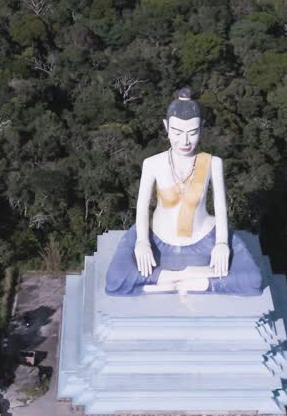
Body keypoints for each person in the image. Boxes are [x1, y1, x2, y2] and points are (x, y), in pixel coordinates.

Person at [105, 88, 264, 297]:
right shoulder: (153, 163)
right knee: (115, 279)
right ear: (166, 127)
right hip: (157, 236)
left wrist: (222, 243)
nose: (185, 141)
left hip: (205, 236)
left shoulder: (212, 163)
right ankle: (188, 279)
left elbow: (220, 206)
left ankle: (176, 281)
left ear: (201, 129)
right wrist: (142, 242)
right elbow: (142, 207)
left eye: (192, 132)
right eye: (178, 133)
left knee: (252, 281)